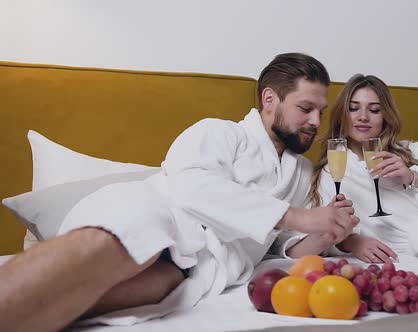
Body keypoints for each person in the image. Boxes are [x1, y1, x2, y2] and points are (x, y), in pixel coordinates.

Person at [0, 53, 360, 331]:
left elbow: (276, 243)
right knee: (106, 252)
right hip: (154, 214)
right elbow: (192, 186)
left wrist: (321, 233)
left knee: (97, 297)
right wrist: (301, 216)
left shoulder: (299, 172)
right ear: (270, 99)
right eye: (305, 108)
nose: (316, 121)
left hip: (193, 268)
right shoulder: (220, 133)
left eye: (321, 111)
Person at [277, 74, 418, 263]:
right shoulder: (329, 174)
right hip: (406, 258)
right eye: (353, 108)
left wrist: (413, 177)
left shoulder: (411, 151)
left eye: (374, 109)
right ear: (342, 115)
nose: (363, 116)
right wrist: (351, 242)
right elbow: (305, 239)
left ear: (385, 117)